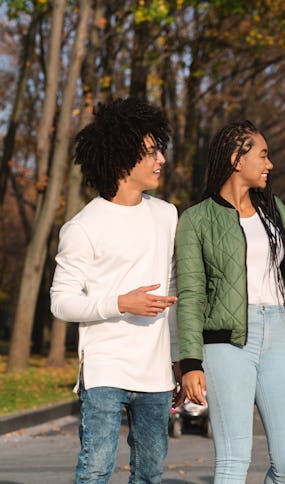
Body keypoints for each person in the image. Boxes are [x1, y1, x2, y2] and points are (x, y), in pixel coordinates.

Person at [175, 120, 285, 484]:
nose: (270, 164)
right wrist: (191, 361)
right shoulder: (196, 220)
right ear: (235, 158)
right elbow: (191, 296)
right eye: (263, 155)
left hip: (278, 337)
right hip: (225, 343)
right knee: (233, 460)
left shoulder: (278, 213)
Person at [50, 97, 181, 483]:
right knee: (95, 471)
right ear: (124, 159)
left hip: (156, 373)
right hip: (105, 368)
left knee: (150, 474)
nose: (161, 160)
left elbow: (173, 292)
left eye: (160, 149)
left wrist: (178, 359)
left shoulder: (167, 215)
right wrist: (121, 303)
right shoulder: (83, 227)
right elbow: (61, 302)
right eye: (151, 151)